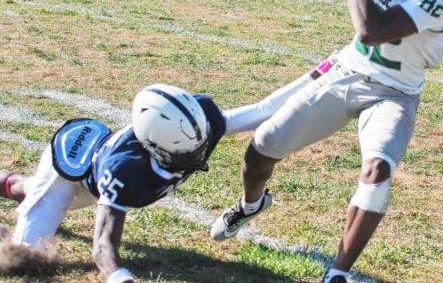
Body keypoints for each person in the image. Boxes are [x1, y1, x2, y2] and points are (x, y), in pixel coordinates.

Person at [210, 0, 443, 283]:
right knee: (261, 149)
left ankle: (338, 273)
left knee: (378, 169)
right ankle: (251, 205)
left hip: (395, 91)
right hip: (348, 69)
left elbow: (371, 29)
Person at [0, 61, 335, 283]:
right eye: (190, 152)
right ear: (156, 149)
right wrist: (121, 277)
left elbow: (263, 110)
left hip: (97, 171)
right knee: (27, 257)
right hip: (73, 176)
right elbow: (103, 246)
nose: (203, 153)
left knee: (26, 189)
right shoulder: (125, 169)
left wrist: (322, 71)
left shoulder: (201, 121)